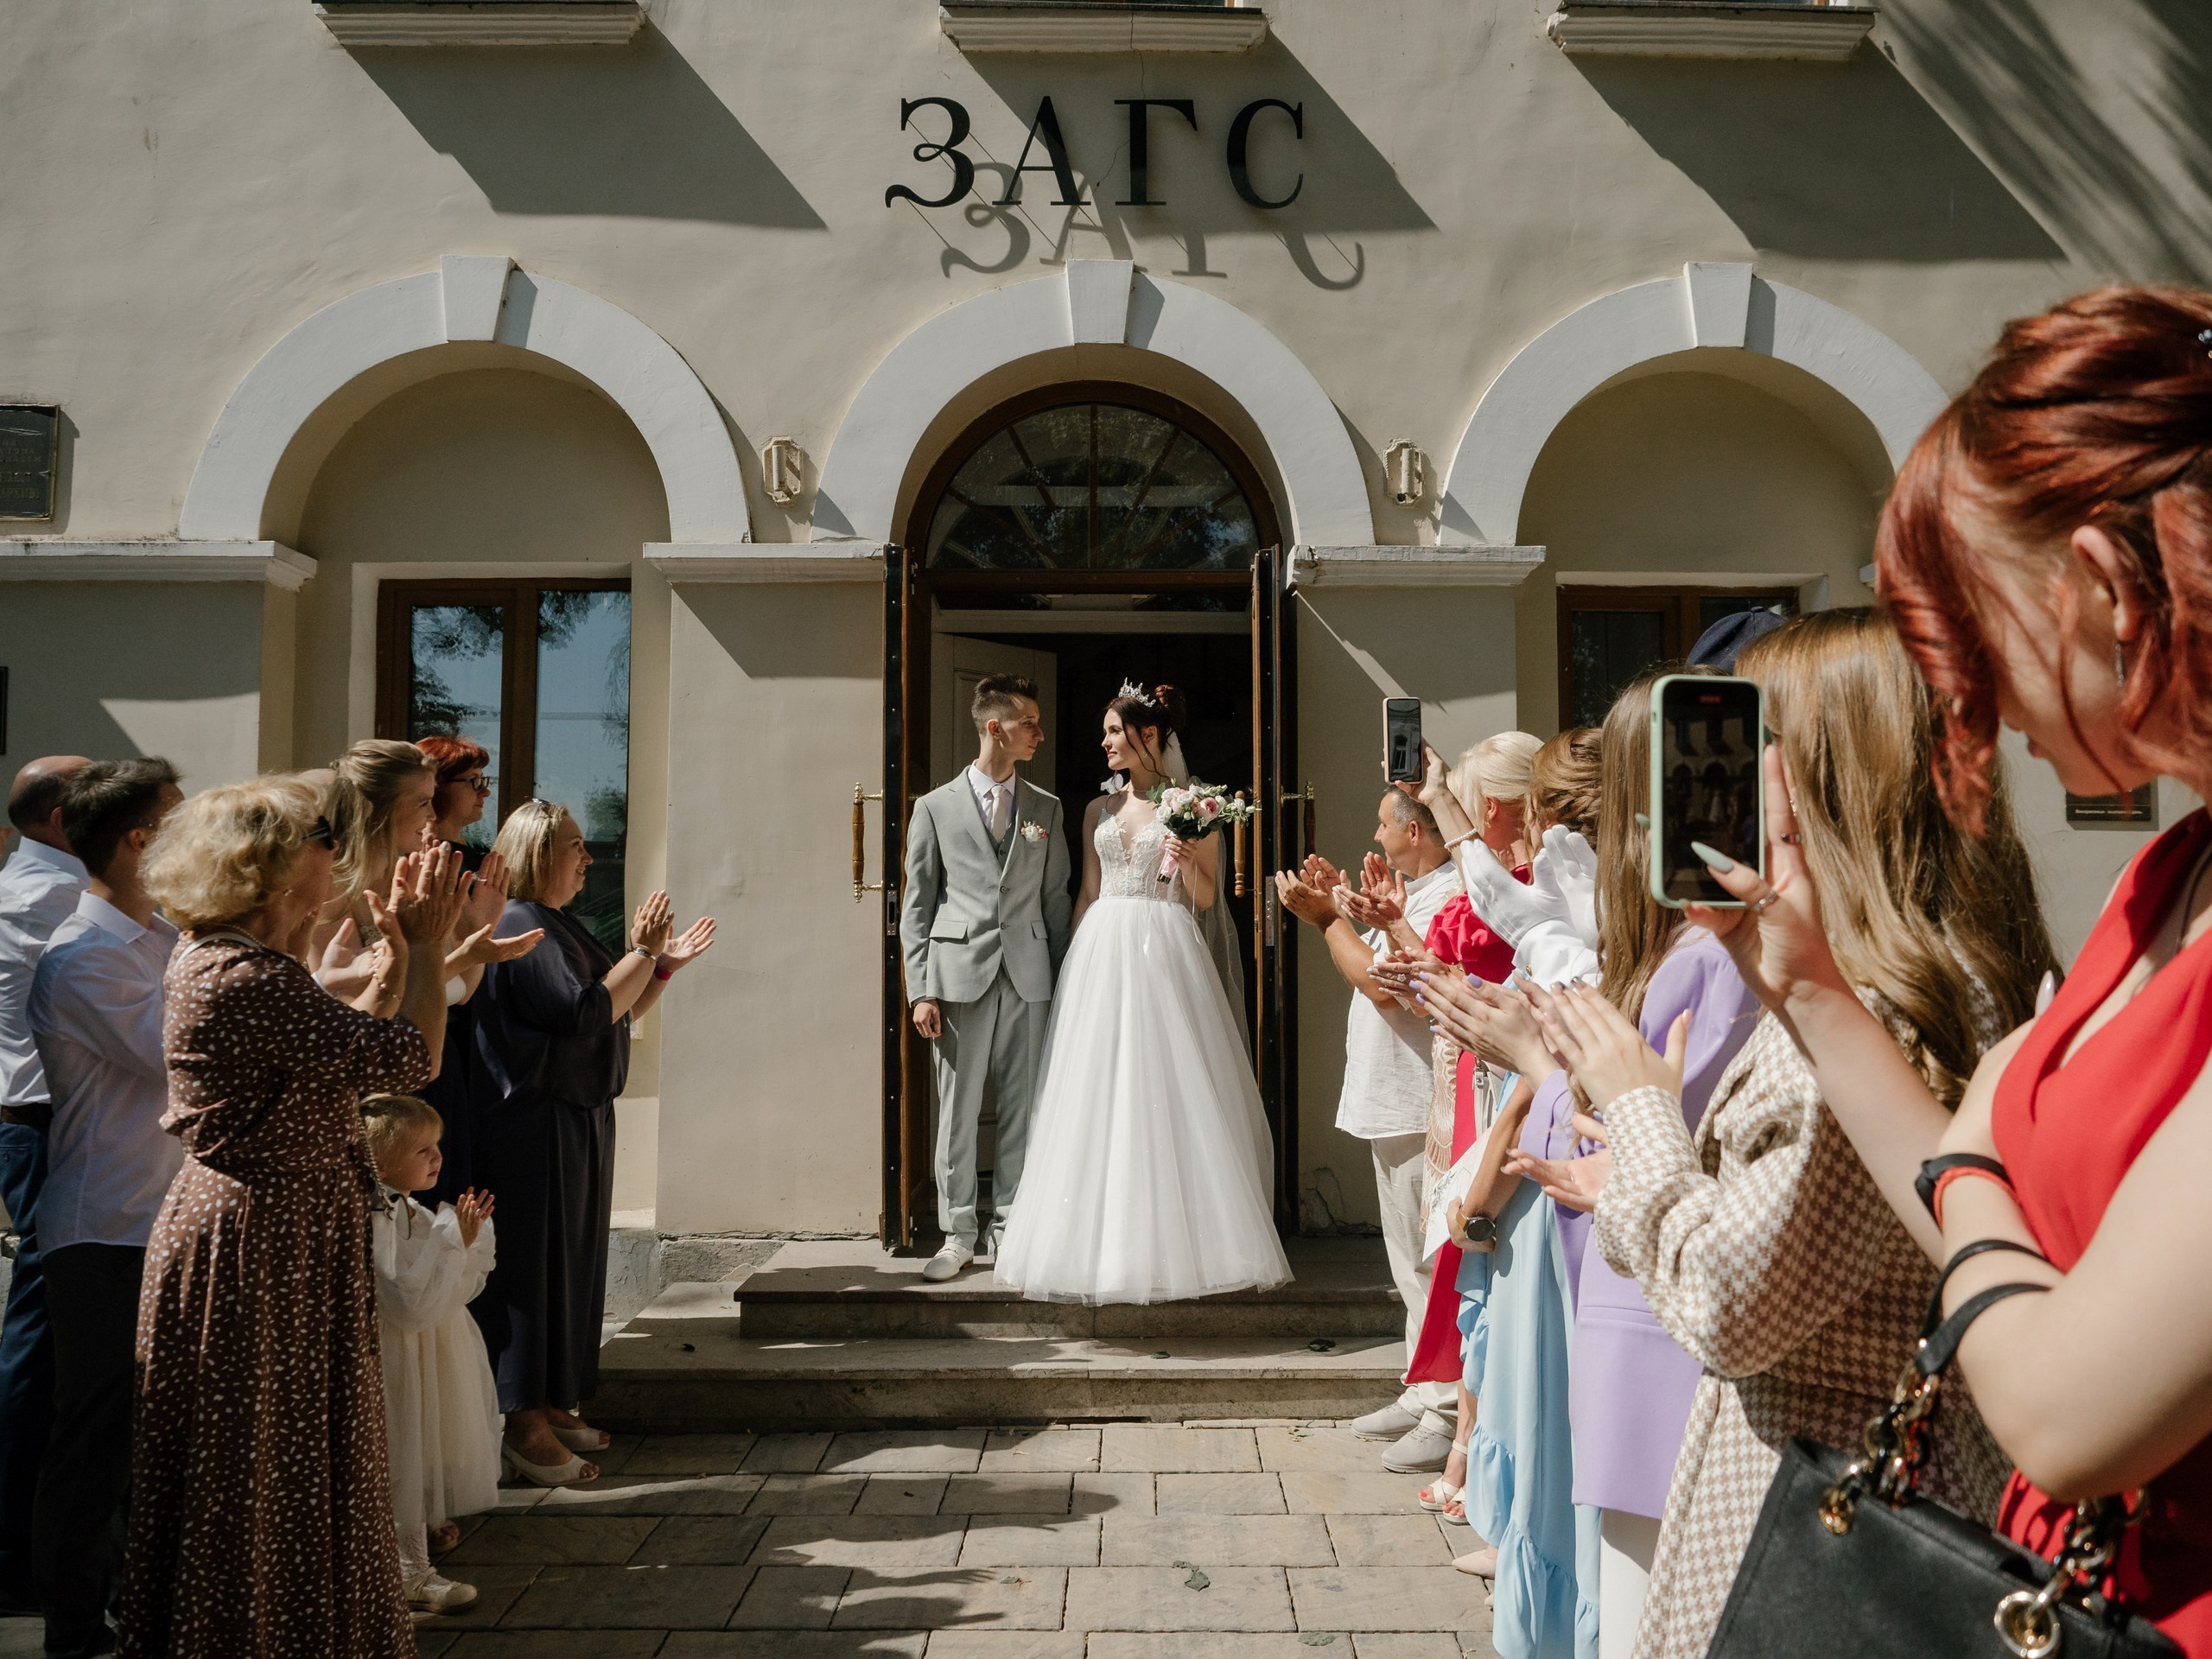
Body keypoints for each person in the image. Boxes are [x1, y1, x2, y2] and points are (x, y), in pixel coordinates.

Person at [1683, 287, 2212, 1655]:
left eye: (1971, 635)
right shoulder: (2170, 877)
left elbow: (2060, 1410)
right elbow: (2004, 1268)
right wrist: (1805, 986)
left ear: (2099, 584)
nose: (1964, 701)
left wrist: (1975, 1164)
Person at [1522, 608, 2044, 1659]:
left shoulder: (1871, 1016)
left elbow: (1728, 1305)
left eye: (1755, 749)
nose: (1720, 786)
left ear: (1825, 775)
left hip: (1824, 1520)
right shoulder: (1955, 971)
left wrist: (1634, 1108)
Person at [124, 777, 464, 1659]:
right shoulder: (245, 973)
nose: (335, 848)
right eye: (319, 835)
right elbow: (410, 1059)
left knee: (285, 1457)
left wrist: (394, 969)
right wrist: (427, 947)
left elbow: (336, 1055)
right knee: (259, 1462)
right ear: (268, 866)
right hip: (260, 1239)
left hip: (275, 1231)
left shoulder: (245, 964)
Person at [996, 683, 1290, 1305]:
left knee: (1162, 1087)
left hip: (1165, 946)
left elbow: (1208, 899)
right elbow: (1088, 893)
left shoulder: (1194, 807)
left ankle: (1182, 1245)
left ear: (1149, 736)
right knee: (1094, 1091)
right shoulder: (1095, 813)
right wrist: (1072, 963)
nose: (1104, 743)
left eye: (1113, 732)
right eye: (1104, 733)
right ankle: (1090, 1245)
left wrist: (1186, 860)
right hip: (1102, 949)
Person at [470, 799, 714, 1484]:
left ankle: (550, 1401)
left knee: (570, 1266)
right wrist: (642, 951)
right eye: (575, 846)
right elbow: (585, 1011)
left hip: (577, 1115)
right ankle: (522, 1423)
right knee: (532, 1267)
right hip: (533, 1122)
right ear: (538, 853)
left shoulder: (560, 922)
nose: (589, 856)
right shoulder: (522, 922)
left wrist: (659, 966)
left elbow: (621, 1008)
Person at [26, 758, 182, 1659]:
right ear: (138, 841)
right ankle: (74, 1633)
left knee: (153, 1443)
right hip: (106, 1231)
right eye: (177, 821)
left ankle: (144, 1613)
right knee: (94, 1444)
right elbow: (182, 1054)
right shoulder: (82, 957)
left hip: (159, 1221)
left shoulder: (161, 935)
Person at [1274, 783, 1464, 1473]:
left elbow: (1385, 987)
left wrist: (1329, 921)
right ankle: (1422, 1388)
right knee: (1402, 1258)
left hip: (1421, 1097)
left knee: (1429, 1260)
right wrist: (1355, 910)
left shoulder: (1448, 894)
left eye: (1385, 823)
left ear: (1416, 831)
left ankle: (1446, 1409)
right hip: (1394, 1096)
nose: (1376, 833)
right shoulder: (1423, 888)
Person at [899, 675, 1073, 1283]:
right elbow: (917, 907)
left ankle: (1010, 1228)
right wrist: (920, 989)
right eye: (1030, 723)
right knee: (958, 1110)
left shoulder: (1046, 808)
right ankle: (957, 1234)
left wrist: (1066, 983)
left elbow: (1056, 902)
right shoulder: (934, 807)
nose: (1039, 734)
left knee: (1024, 1110)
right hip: (957, 978)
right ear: (995, 726)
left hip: (1029, 978)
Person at [0, 753, 89, 1609]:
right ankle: (16, 1535)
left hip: (46, 1119)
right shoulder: (50, 893)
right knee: (46, 1319)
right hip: (45, 1122)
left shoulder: (47, 880)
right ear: (64, 816)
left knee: (53, 1320)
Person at [359, 1092, 500, 1618]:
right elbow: (405, 1301)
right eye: (422, 1149)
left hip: (426, 1354)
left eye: (437, 1145)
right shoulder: (372, 1211)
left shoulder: (413, 1209)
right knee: (396, 1454)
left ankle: (410, 1566)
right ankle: (404, 1572)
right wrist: (452, 1242)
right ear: (379, 1157)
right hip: (394, 1354)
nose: (437, 1158)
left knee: (413, 1453)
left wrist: (460, 1241)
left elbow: (452, 1290)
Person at [412, 735, 508, 1206]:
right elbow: (456, 966)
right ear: (438, 788)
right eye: (474, 782)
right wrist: (484, 920)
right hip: (439, 1035)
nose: (484, 793)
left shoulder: (476, 863)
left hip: (466, 1034)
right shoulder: (434, 866)